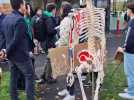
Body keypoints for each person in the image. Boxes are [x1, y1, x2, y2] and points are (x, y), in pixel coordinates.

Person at [1, 0, 35, 100]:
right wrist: (5, 51)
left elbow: (4, 37)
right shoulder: (20, 20)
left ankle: (14, 98)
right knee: (29, 77)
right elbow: (16, 40)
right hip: (21, 56)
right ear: (21, 5)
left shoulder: (7, 17)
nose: (25, 6)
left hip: (11, 56)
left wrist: (4, 50)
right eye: (24, 4)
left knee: (13, 78)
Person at [39, 3, 59, 84]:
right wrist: (57, 29)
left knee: (48, 59)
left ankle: (43, 75)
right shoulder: (49, 18)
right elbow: (50, 31)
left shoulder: (43, 16)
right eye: (55, 10)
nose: (55, 11)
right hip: (49, 42)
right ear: (53, 10)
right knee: (51, 59)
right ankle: (48, 77)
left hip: (44, 41)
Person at [119, 2, 134, 99]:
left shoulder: (132, 22)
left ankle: (131, 93)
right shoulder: (132, 21)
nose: (126, 11)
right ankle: (131, 89)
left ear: (130, 10)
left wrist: (124, 47)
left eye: (127, 9)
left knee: (130, 72)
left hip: (130, 51)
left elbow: (130, 38)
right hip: (132, 51)